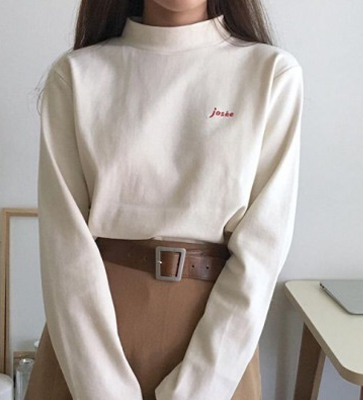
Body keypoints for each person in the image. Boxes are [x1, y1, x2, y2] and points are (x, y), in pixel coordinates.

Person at [24, 0, 304, 399]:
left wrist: (200, 388)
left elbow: (262, 250)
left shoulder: (271, 73)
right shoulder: (76, 75)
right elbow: (63, 246)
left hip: (217, 346)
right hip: (89, 340)